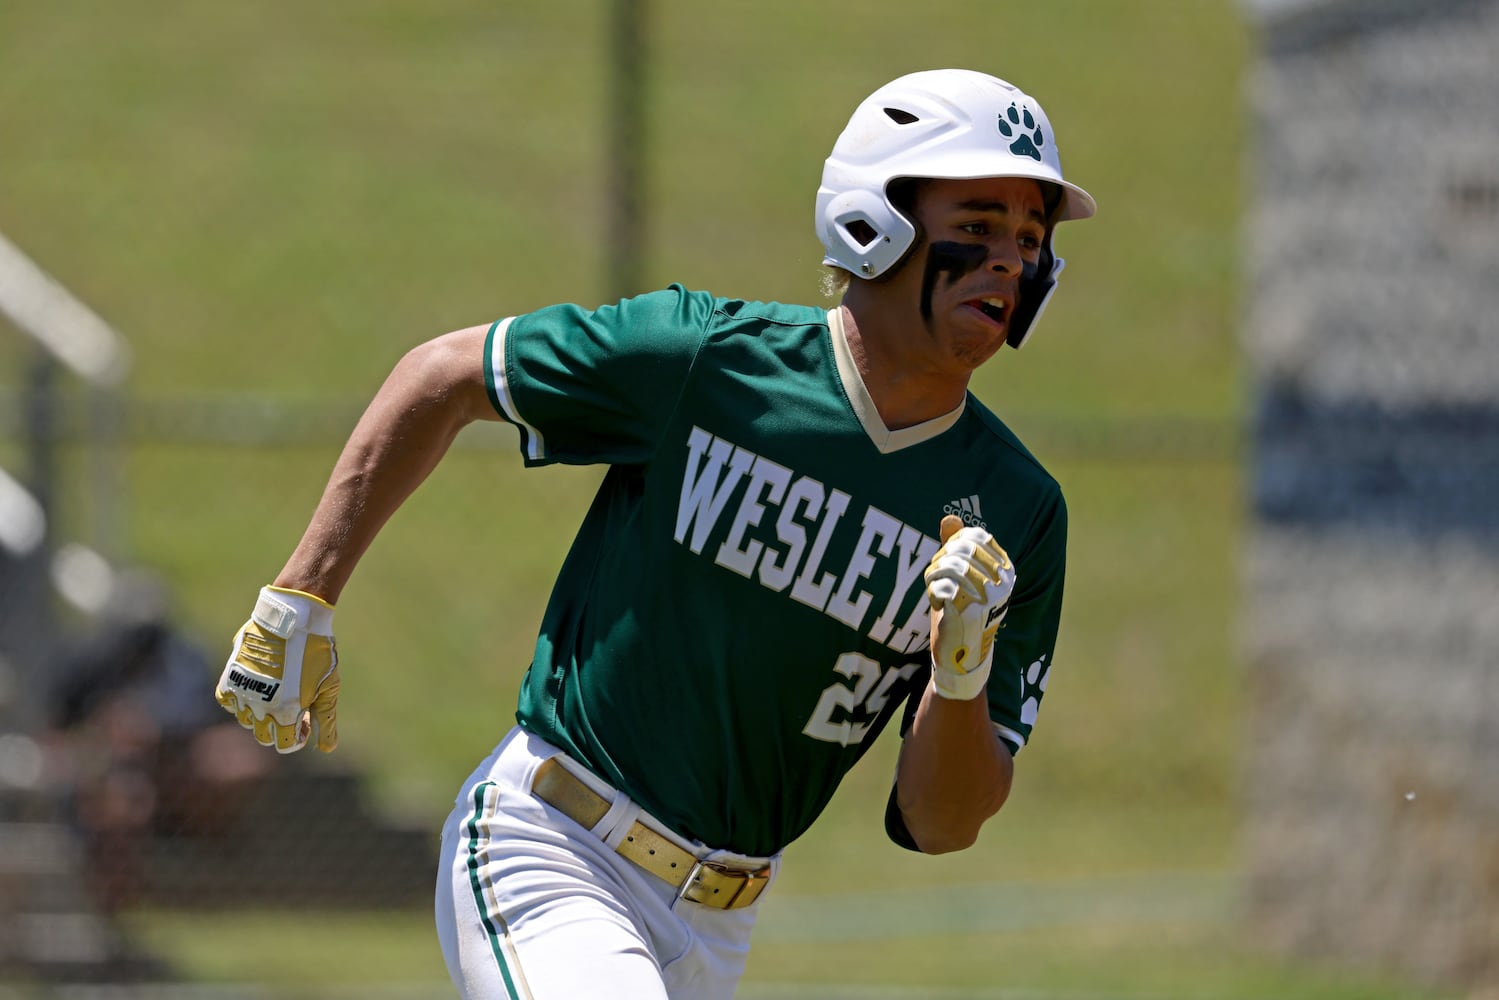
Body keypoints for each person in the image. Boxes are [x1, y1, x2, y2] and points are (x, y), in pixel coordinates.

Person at [216, 68, 1095, 999]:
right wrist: (300, 594)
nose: (1009, 258)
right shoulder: (705, 359)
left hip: (721, 927)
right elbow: (442, 376)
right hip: (552, 848)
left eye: (1029, 237)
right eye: (978, 223)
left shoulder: (1019, 512)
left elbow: (941, 820)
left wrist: (957, 676)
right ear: (873, 218)